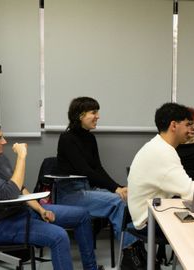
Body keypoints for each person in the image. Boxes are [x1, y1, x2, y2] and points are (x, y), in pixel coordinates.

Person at [0, 119, 102, 270]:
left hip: (23, 213)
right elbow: (9, 192)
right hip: (0, 226)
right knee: (59, 236)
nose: (4, 141)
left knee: (82, 215)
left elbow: (20, 188)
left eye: (2, 136)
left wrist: (41, 210)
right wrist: (21, 157)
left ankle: (90, 268)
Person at [55, 97, 142, 270]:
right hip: (70, 194)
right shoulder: (67, 139)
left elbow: (98, 169)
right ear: (80, 115)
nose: (98, 116)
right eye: (93, 112)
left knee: (126, 198)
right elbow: (86, 171)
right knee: (118, 202)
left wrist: (120, 188)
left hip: (88, 190)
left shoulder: (90, 139)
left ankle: (136, 252)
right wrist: (115, 189)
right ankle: (132, 254)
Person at [128, 102, 194, 231]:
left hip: (151, 211)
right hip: (148, 220)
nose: (190, 130)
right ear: (174, 125)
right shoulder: (162, 152)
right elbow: (190, 192)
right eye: (187, 125)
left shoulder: (157, 145)